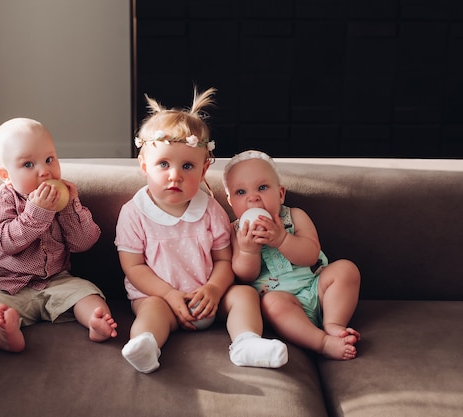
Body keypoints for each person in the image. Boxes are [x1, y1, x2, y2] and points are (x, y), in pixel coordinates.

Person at [115, 88, 288, 373]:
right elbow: (133, 268)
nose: (175, 175)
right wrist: (169, 294)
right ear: (144, 166)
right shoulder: (134, 213)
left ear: (204, 169)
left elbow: (223, 260)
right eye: (163, 164)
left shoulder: (210, 210)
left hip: (210, 299)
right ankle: (146, 345)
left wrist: (214, 289)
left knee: (244, 296)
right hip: (161, 298)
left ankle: (246, 342)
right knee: (150, 312)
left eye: (187, 166)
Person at [0, 117, 117, 352]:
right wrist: (37, 212)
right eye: (29, 165)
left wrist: (70, 207)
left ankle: (95, 322)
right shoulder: (3, 200)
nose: (45, 172)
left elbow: (84, 243)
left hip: (57, 281)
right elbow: (6, 242)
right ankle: (4, 334)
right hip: (7, 287)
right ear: (5, 175)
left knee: (88, 294)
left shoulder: (65, 197)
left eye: (49, 159)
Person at [223, 150, 361, 360]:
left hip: (318, 289)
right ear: (231, 201)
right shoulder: (236, 231)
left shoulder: (294, 216)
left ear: (280, 194)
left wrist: (282, 240)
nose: (253, 197)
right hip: (282, 302)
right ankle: (322, 342)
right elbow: (244, 276)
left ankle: (334, 323)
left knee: (345, 269)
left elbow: (311, 255)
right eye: (241, 192)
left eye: (262, 187)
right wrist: (248, 250)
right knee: (272, 304)